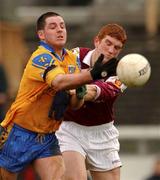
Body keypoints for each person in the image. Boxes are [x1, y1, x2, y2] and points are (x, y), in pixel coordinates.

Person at [0, 12, 118, 180]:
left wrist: (79, 92)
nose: (60, 30)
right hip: (19, 133)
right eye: (53, 27)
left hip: (48, 135)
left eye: (62, 26)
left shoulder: (71, 59)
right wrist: (92, 74)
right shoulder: (40, 57)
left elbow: (75, 104)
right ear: (41, 35)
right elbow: (59, 82)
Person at [56, 23, 127, 180]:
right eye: (107, 43)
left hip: (102, 134)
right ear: (97, 41)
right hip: (70, 128)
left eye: (117, 48)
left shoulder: (123, 72)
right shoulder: (75, 56)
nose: (110, 50)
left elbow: (100, 91)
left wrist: (77, 89)